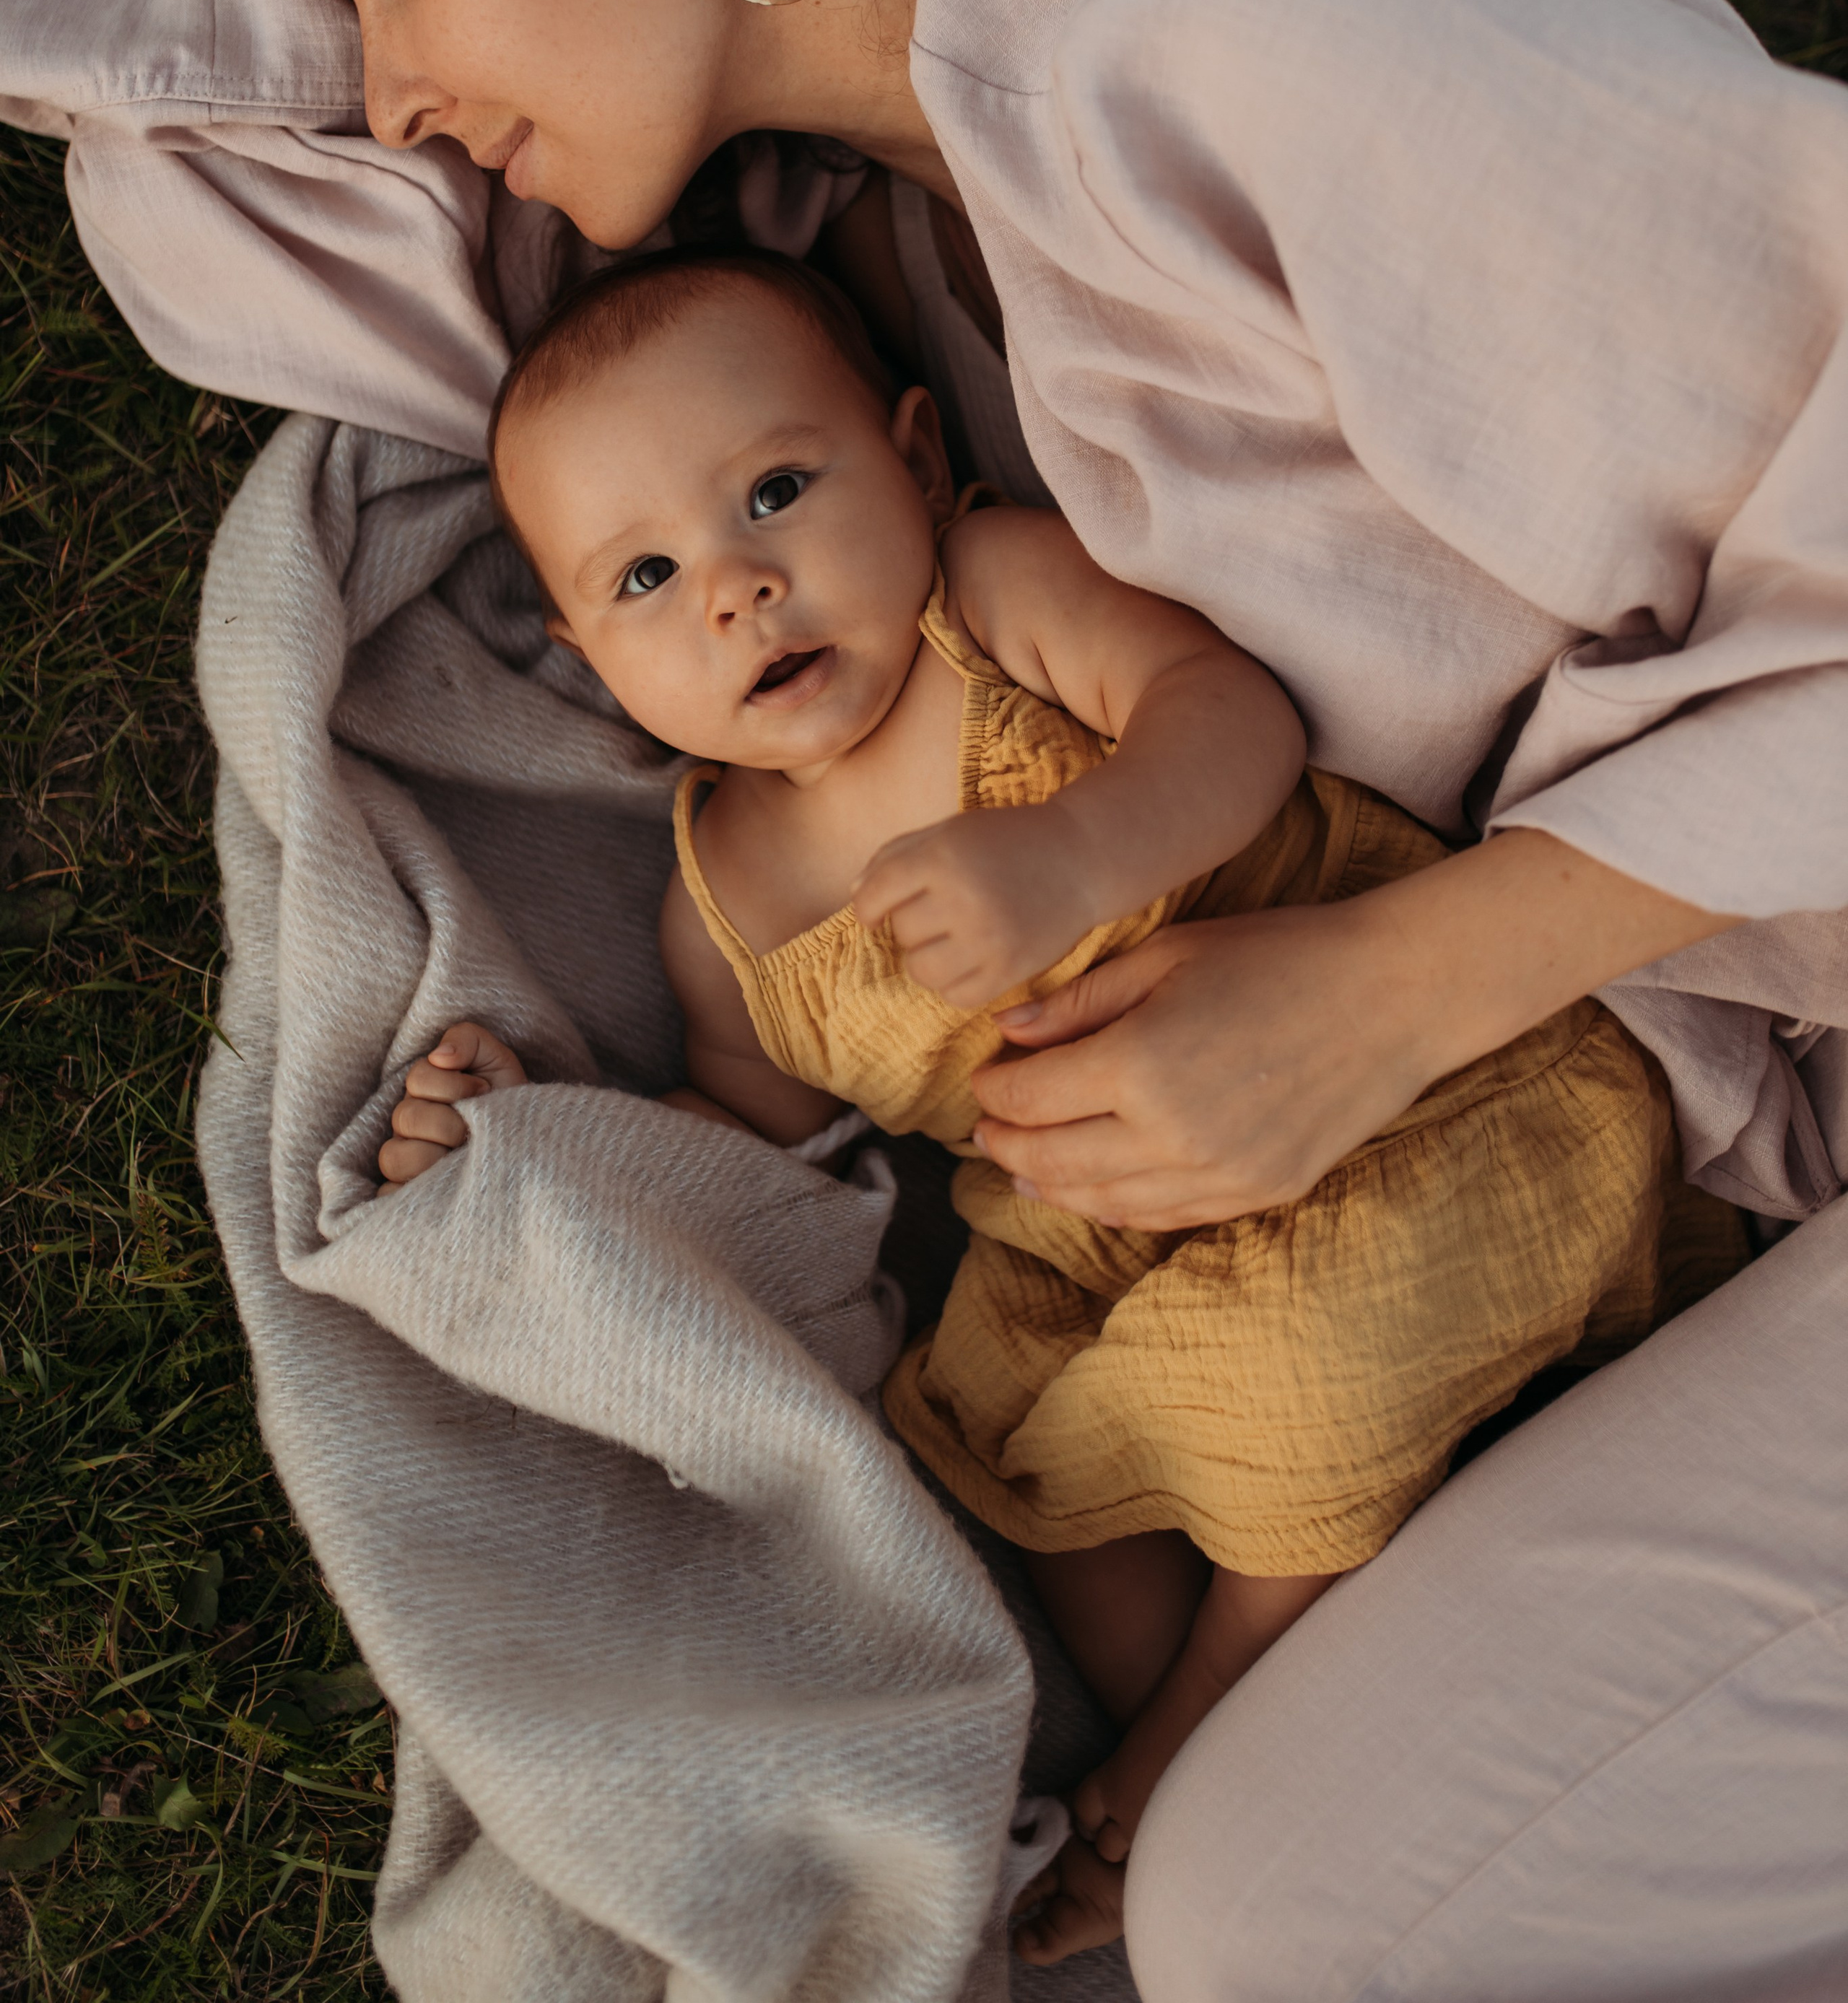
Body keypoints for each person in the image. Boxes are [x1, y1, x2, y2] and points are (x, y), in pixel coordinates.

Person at [2, 0, 1839, 1990]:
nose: (390, 77)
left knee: (1272, 1932)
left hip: (1665, 1068)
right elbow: (254, 167)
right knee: (1251, 1915)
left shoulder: (1247, 25)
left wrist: (1389, 989)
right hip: (1721, 1178)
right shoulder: (865, 258)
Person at [375, 244, 1743, 1963]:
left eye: (776, 493)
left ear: (919, 463)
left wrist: (1077, 845)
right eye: (645, 576)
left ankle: (1215, 1708)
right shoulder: (717, 900)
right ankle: (1188, 1697)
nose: (734, 588)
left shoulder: (991, 605)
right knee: (1006, 1435)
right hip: (1084, 1233)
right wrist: (542, 1132)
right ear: (585, 657)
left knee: (1297, 1367)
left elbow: (1219, 716)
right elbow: (757, 1141)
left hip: (1412, 1092)